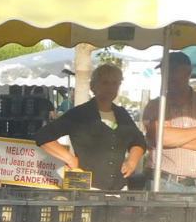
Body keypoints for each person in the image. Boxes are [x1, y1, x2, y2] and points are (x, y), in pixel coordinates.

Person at [34, 63, 147, 191]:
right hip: (84, 187)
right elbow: (43, 136)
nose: (110, 88)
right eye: (105, 83)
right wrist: (69, 159)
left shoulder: (122, 114)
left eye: (115, 83)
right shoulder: (79, 114)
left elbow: (139, 141)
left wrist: (132, 161)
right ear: (93, 86)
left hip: (118, 188)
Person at [142, 52, 196, 192]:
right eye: (164, 71)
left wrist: (176, 140)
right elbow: (160, 136)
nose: (168, 75)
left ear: (188, 72)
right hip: (164, 183)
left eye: (174, 69)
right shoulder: (156, 105)